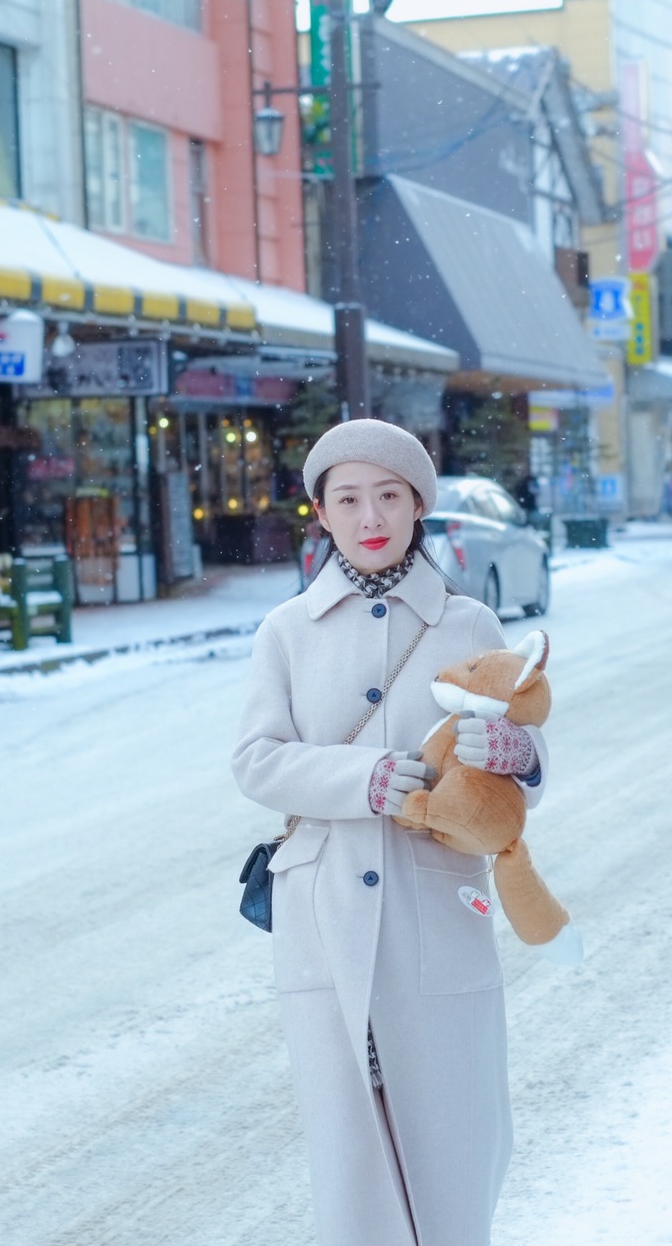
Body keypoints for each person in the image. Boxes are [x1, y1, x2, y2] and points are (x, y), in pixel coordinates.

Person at [233, 419, 548, 1246]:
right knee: (352, 1150)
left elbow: (517, 764)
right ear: (323, 515)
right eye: (348, 499)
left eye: (388, 496)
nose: (369, 515)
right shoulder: (288, 632)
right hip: (324, 906)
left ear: (417, 507)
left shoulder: (467, 622)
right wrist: (359, 781)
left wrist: (516, 752)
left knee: (457, 1136)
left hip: (435, 907)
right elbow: (256, 761)